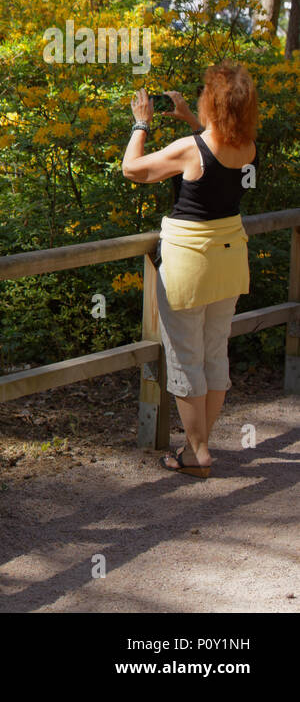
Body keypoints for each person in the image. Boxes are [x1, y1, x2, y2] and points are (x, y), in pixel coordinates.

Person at [120, 62, 258, 479]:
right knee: (215, 354)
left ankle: (197, 453)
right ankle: (198, 444)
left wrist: (140, 125)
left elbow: (132, 169)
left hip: (189, 264)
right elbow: (216, 151)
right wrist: (192, 120)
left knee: (184, 359)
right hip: (230, 260)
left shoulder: (188, 149)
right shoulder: (248, 147)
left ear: (210, 102)